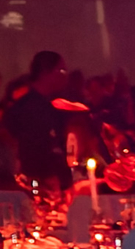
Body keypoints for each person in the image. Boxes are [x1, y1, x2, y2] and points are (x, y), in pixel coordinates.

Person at [1, 49, 82, 188]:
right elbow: (29, 147)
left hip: (52, 179)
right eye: (61, 71)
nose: (65, 76)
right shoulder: (29, 107)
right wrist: (46, 176)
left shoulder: (50, 104)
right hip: (40, 184)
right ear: (45, 72)